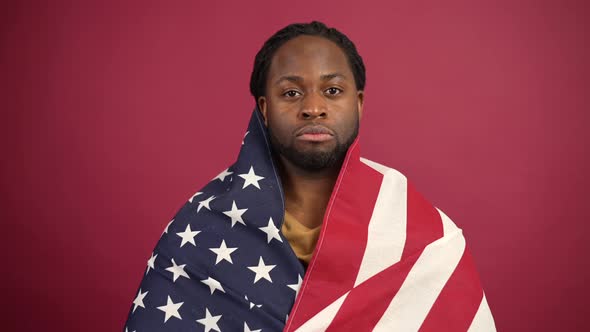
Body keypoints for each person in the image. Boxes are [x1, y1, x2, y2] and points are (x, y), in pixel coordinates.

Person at [124, 21, 496, 331]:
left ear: (359, 103)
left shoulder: (423, 235)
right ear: (265, 109)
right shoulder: (202, 225)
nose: (313, 108)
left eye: (332, 91)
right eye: (291, 92)